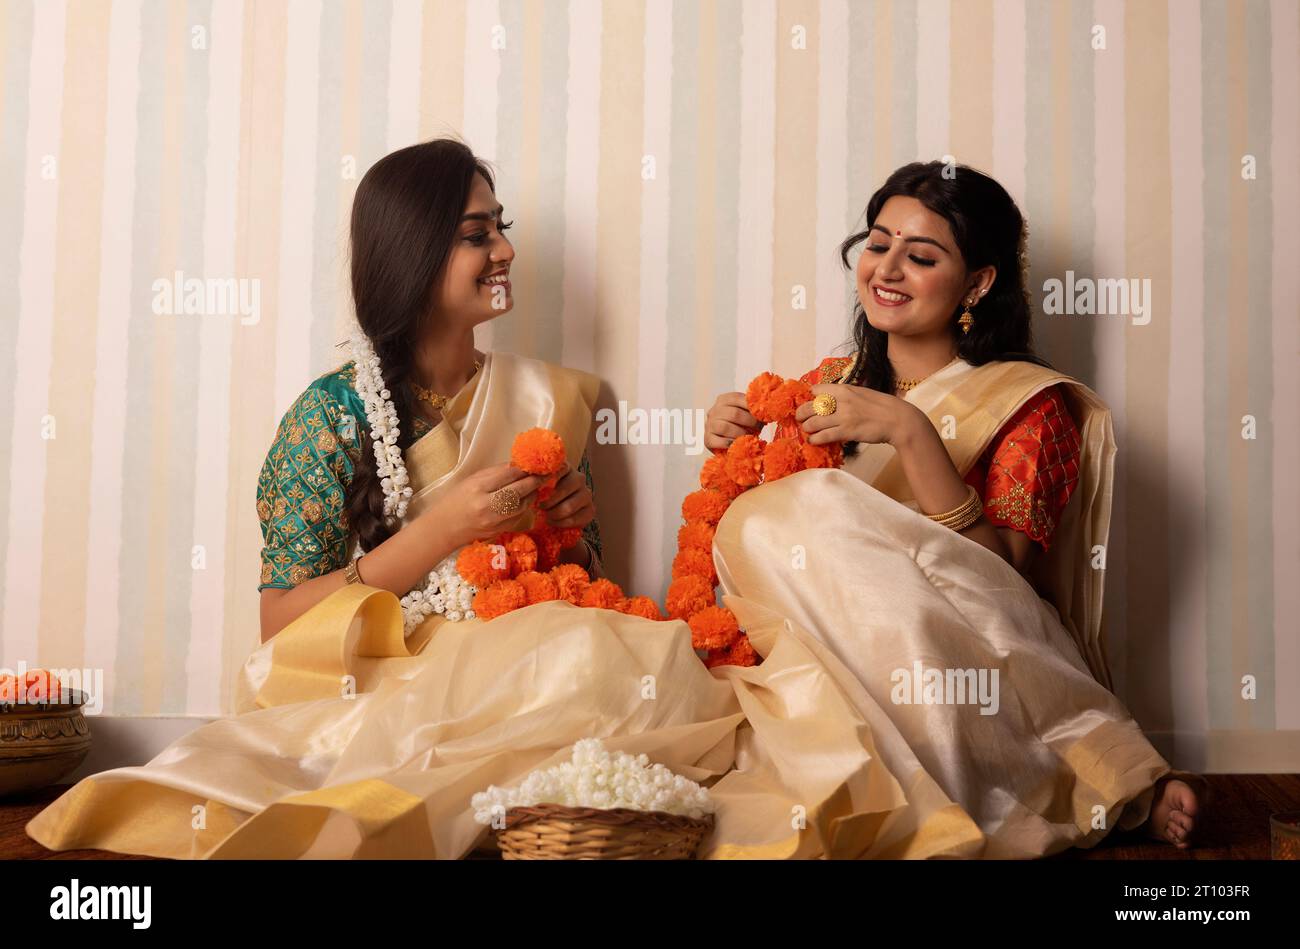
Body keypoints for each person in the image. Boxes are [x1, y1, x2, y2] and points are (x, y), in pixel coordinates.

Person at [705, 160, 1205, 852]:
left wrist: (912, 434)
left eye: (922, 255)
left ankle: (1105, 784)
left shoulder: (1030, 403)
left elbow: (1005, 580)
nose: (888, 268)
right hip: (832, 650)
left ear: (978, 282)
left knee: (818, 508)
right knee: (768, 515)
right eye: (878, 244)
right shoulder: (829, 385)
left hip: (969, 645)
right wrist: (730, 439)